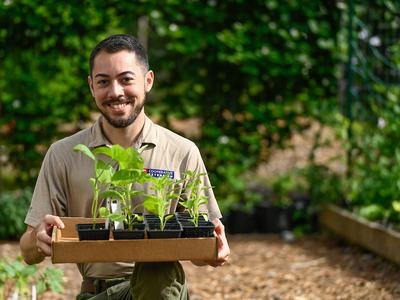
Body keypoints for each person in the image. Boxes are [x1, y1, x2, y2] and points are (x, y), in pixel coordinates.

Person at [19, 34, 230, 299]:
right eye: (103, 82)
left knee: (158, 269)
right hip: (97, 292)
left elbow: (201, 248)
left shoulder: (181, 151)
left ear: (148, 81)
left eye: (126, 79)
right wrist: (38, 238)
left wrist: (213, 248)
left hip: (159, 289)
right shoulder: (63, 154)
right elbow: (27, 252)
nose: (116, 92)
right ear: (91, 86)